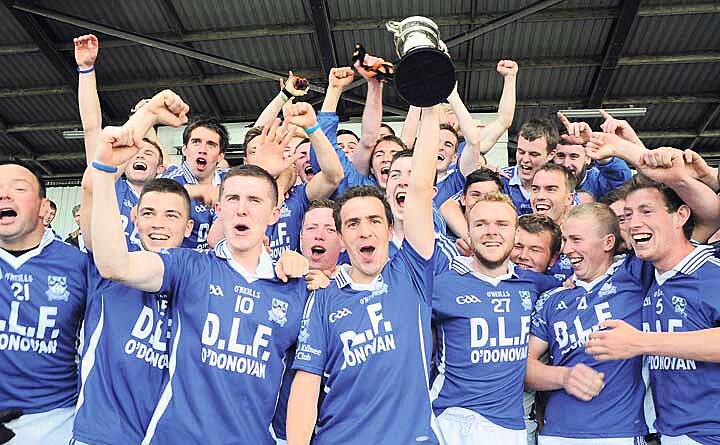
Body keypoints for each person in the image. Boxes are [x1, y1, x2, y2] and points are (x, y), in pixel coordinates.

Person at [90, 89, 313, 444]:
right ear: (218, 210)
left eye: (255, 200)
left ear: (274, 214)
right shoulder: (188, 267)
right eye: (234, 199)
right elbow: (114, 264)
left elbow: (308, 380)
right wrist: (103, 173)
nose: (242, 209)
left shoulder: (299, 286)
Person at [287, 107, 442, 445]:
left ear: (389, 230)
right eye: (353, 224)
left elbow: (418, 187)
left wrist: (429, 106)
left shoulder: (412, 272)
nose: (364, 231)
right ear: (341, 239)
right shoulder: (324, 298)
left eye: (374, 221)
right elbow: (305, 386)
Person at [586, 173, 720, 445]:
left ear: (680, 216)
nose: (634, 223)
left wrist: (641, 342)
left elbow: (711, 211)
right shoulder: (644, 273)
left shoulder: (710, 274)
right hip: (666, 433)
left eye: (646, 211)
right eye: (628, 215)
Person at [72, 178, 192, 445]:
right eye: (148, 213)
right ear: (135, 219)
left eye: (171, 215)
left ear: (189, 227)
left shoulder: (199, 278)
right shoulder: (107, 267)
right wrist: (102, 154)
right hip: (102, 437)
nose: (158, 223)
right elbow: (94, 186)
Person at [430, 192, 557, 445]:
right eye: (480, 224)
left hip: (508, 426)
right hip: (450, 420)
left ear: (515, 233)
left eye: (501, 224)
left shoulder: (533, 285)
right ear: (468, 231)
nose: (491, 231)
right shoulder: (440, 285)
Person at [527, 203, 653, 444]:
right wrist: (564, 376)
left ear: (607, 243)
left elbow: (688, 228)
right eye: (565, 240)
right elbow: (525, 368)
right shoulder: (553, 297)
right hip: (556, 433)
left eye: (576, 239)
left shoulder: (635, 274)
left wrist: (628, 233)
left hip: (619, 432)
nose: (566, 249)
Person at [0, 161, 89, 445]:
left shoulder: (78, 265)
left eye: (18, 188)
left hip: (51, 422)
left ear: (43, 207)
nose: (4, 195)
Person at [245, 102, 344, 261]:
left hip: (291, 280)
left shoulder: (296, 195)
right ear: (245, 161)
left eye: (271, 148)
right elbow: (214, 240)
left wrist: (312, 128)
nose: (263, 156)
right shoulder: (232, 193)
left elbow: (333, 176)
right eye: (255, 151)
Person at [162, 117, 228, 250]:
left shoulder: (231, 180)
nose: (202, 149)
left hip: (220, 266)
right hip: (180, 266)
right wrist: (193, 191)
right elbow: (152, 199)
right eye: (196, 142)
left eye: (211, 144)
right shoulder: (170, 179)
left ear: (220, 156)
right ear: (185, 150)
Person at [554, 111, 632, 200]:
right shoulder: (543, 181)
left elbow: (622, 181)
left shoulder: (597, 181)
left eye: (574, 156)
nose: (566, 163)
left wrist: (601, 153)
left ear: (588, 159)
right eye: (561, 156)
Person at [502, 119, 560, 214]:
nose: (525, 159)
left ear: (551, 155)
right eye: (521, 152)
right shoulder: (499, 180)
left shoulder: (562, 184)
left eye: (533, 154)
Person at [531, 163, 577, 280]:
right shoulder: (516, 231)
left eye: (550, 189)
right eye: (535, 189)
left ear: (569, 198)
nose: (540, 196)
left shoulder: (584, 237)